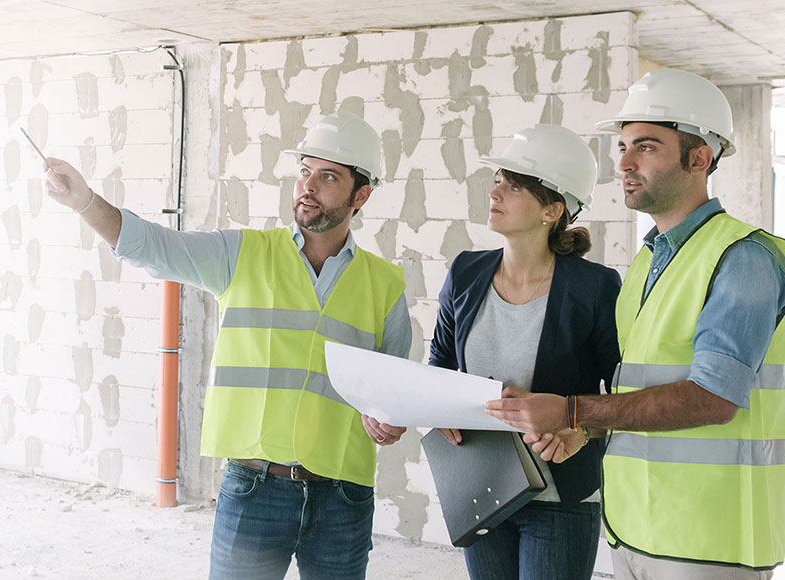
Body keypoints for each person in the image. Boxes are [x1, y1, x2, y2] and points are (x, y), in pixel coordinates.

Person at [42, 111, 411, 580]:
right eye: (303, 172)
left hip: (343, 495)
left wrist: (389, 419)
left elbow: (397, 390)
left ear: (361, 195)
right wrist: (84, 201)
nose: (307, 187)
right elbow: (155, 246)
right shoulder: (245, 254)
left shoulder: (385, 285)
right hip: (255, 487)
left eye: (328, 176)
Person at [485, 68, 785, 579]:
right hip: (634, 529)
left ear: (699, 158)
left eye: (645, 147)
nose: (623, 162)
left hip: (709, 537)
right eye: (622, 146)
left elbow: (713, 398)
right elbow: (637, 388)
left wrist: (572, 411)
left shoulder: (743, 258)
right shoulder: (648, 261)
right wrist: (585, 427)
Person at [428, 124, 621, 580]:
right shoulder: (466, 271)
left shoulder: (594, 286)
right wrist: (440, 407)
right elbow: (439, 363)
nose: (496, 192)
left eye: (513, 186)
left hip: (560, 497)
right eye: (497, 180)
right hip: (483, 487)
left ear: (552, 209)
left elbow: (623, 391)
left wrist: (582, 428)